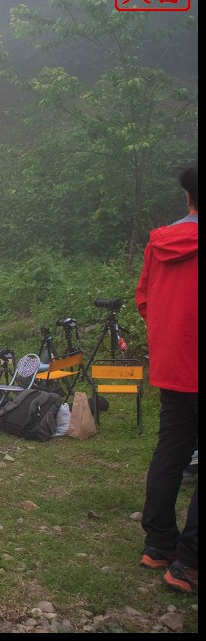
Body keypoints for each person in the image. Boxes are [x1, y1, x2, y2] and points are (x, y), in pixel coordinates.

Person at [136, 165, 198, 593]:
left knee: (171, 451)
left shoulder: (160, 242)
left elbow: (144, 300)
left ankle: (159, 543)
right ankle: (189, 563)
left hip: (173, 366)